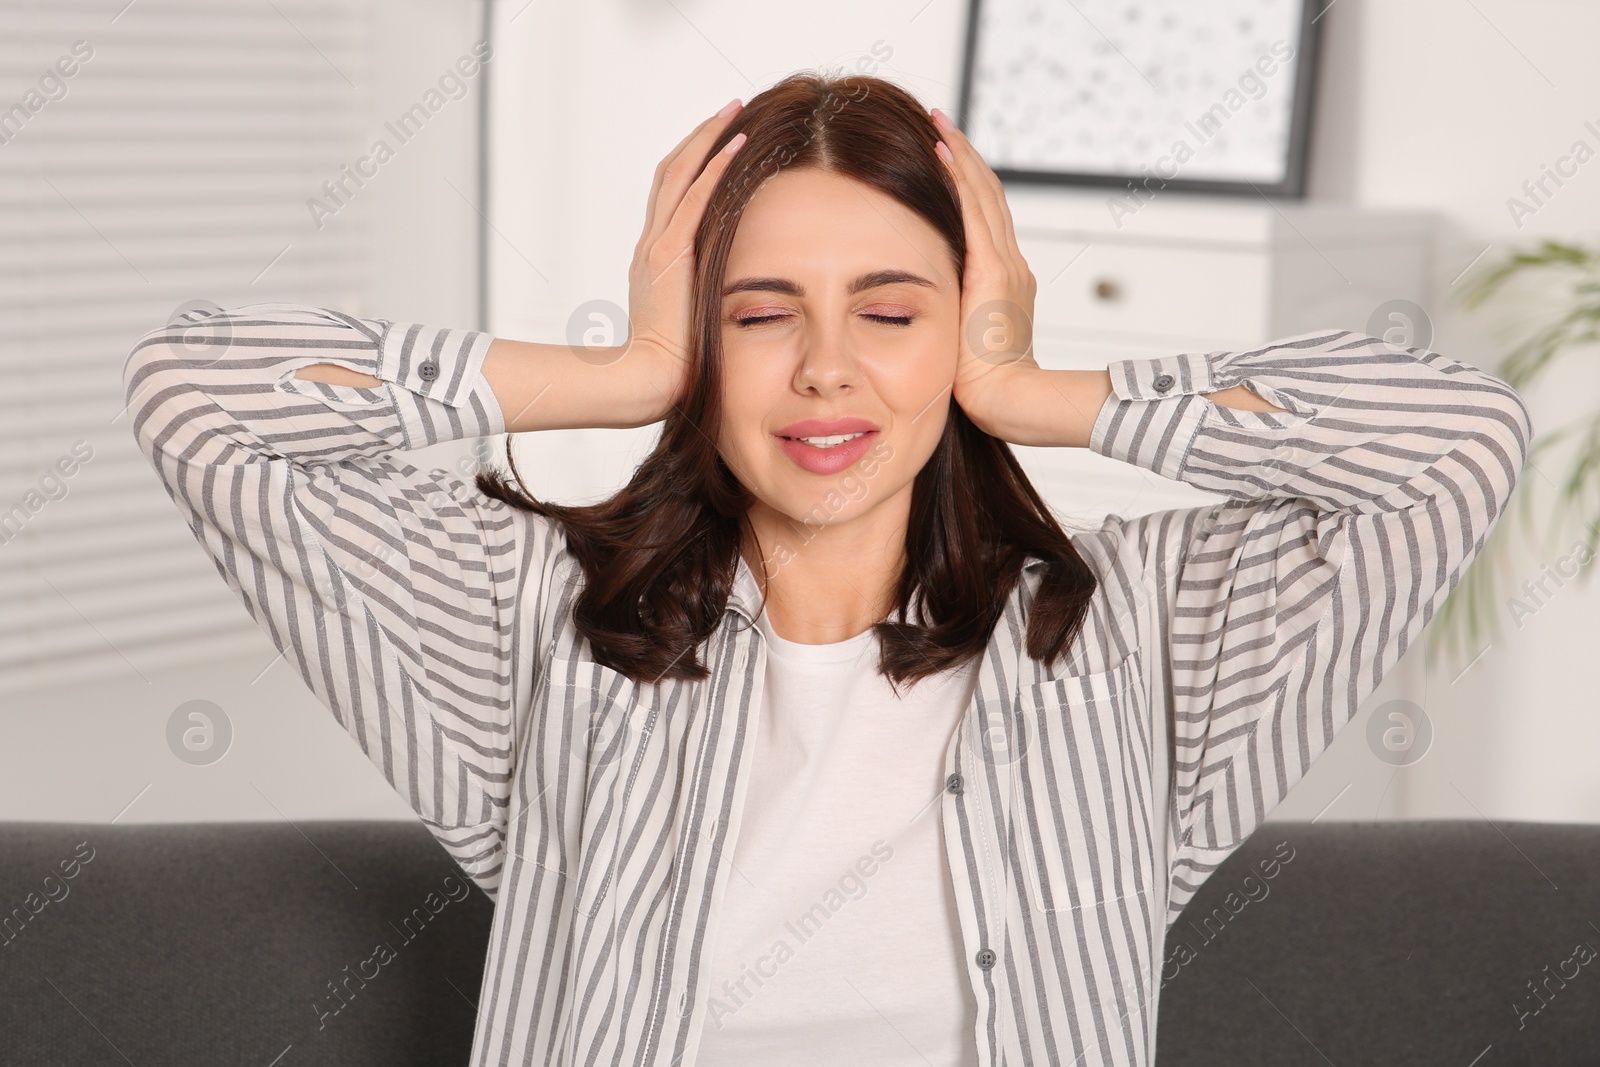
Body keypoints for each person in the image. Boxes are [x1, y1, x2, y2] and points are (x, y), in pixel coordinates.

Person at [122, 72, 1531, 1067]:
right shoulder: (536, 626)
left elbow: (1458, 443)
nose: (826, 370)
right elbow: (199, 400)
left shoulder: (1133, 641)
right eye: (758, 312)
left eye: (893, 310)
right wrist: (627, 373)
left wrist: (1025, 386)